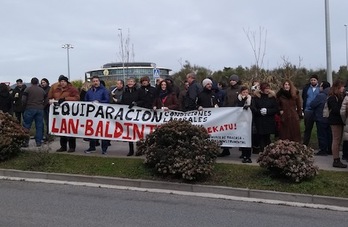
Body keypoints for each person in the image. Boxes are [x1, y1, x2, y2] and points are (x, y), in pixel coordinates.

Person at [48, 76, 80, 152]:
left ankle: (72, 147)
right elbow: (50, 97)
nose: (62, 83)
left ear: (66, 82)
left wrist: (65, 99)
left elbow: (77, 98)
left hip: (70, 113)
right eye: (61, 81)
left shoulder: (72, 89)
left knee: (70, 130)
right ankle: (63, 146)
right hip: (59, 114)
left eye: (63, 81)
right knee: (62, 130)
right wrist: (51, 101)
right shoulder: (56, 89)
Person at [84, 76, 111, 155]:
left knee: (103, 131)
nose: (95, 82)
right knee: (92, 131)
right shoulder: (89, 91)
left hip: (102, 114)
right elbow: (85, 101)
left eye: (97, 81)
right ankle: (92, 147)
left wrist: (99, 101)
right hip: (92, 115)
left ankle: (104, 148)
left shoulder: (104, 90)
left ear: (99, 82)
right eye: (94, 81)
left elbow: (107, 100)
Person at [251, 82, 279, 151]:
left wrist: (268, 111)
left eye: (268, 88)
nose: (267, 90)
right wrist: (259, 111)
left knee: (267, 137)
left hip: (269, 120)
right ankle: (262, 150)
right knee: (260, 136)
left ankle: (267, 151)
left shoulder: (272, 97)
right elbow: (253, 108)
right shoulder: (256, 97)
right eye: (265, 88)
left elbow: (276, 108)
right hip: (259, 120)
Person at [22, 77, 47, 147]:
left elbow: (23, 99)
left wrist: (25, 106)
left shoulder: (28, 89)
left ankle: (25, 142)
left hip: (29, 108)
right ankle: (38, 142)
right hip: (40, 109)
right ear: (38, 82)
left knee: (26, 125)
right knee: (39, 126)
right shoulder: (42, 90)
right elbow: (46, 99)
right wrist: (43, 106)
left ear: (31, 82)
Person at [220, 74, 241, 157]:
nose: (232, 81)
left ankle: (243, 151)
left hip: (237, 112)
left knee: (239, 131)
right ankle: (226, 150)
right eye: (231, 80)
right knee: (226, 131)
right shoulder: (228, 90)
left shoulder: (240, 89)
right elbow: (225, 100)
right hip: (228, 113)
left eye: (234, 80)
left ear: (237, 81)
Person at [327, 79, 346, 168]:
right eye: (342, 87)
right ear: (338, 87)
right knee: (336, 140)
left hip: (340, 121)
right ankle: (336, 159)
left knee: (338, 141)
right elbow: (335, 110)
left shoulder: (341, 96)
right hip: (335, 121)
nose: (343, 88)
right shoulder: (332, 98)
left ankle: (337, 158)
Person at [310, 81, 332, 156]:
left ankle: (323, 150)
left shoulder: (321, 96)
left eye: (321, 86)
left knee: (322, 134)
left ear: (323, 87)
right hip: (330, 118)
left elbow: (312, 104)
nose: (319, 87)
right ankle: (330, 149)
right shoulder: (332, 94)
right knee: (329, 134)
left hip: (321, 117)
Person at [121, 77, 139, 156]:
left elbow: (142, 100)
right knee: (130, 132)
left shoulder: (138, 91)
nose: (130, 83)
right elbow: (122, 101)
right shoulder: (125, 92)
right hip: (128, 114)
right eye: (129, 82)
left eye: (131, 81)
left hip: (137, 114)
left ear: (134, 83)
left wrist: (135, 103)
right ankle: (131, 150)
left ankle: (139, 150)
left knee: (138, 132)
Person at [235, 86, 252, 163]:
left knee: (248, 138)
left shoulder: (251, 99)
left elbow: (254, 108)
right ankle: (244, 154)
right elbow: (237, 107)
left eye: (246, 92)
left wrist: (249, 106)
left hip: (248, 121)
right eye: (243, 92)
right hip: (241, 121)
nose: (245, 94)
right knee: (242, 137)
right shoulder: (238, 99)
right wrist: (243, 100)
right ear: (241, 93)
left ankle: (248, 156)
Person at [302, 74, 320, 146]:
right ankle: (305, 144)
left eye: (314, 80)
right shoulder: (306, 88)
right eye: (311, 80)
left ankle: (321, 146)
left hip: (317, 110)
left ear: (317, 81)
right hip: (308, 110)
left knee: (319, 129)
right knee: (307, 129)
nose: (313, 81)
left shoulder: (320, 88)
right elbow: (304, 97)